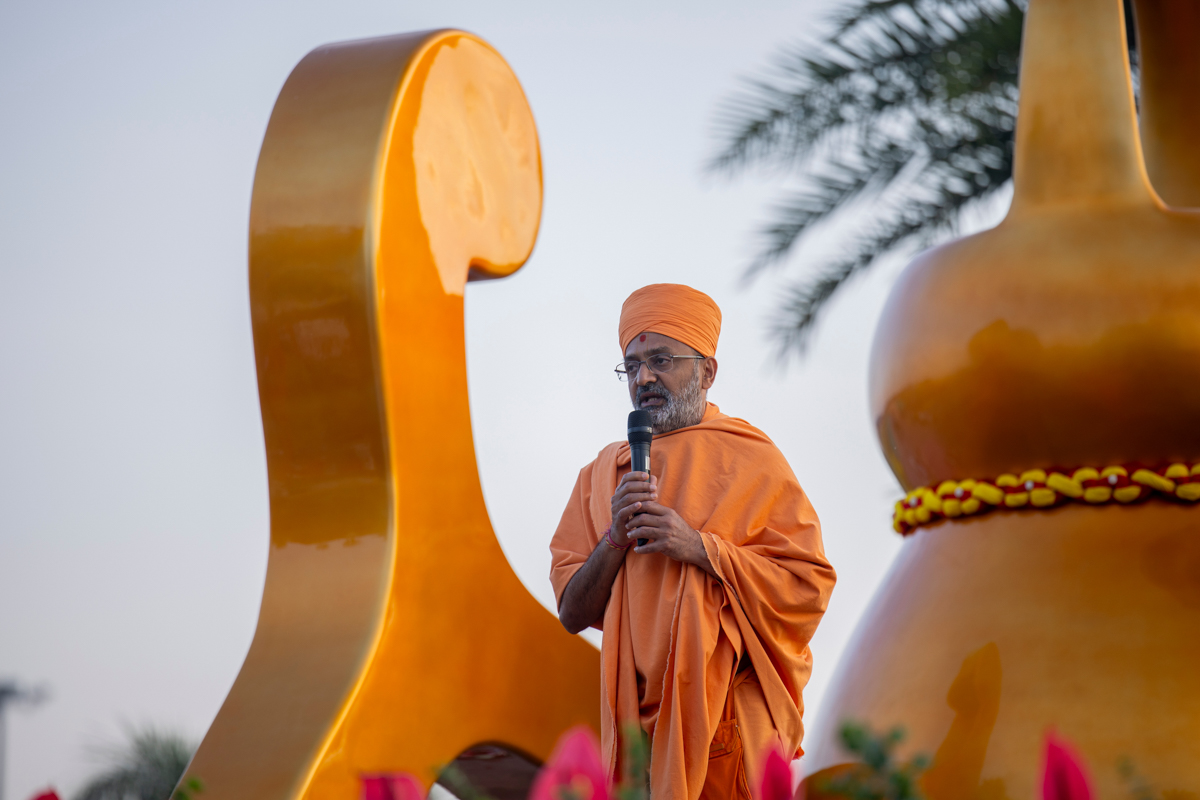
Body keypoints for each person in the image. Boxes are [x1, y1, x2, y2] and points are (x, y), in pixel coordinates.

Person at [549, 283, 836, 800]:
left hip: (727, 727)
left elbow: (807, 587)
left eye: (661, 359)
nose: (645, 378)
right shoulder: (602, 476)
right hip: (637, 739)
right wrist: (615, 536)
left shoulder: (752, 460)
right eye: (631, 365)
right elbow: (572, 611)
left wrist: (698, 546)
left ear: (707, 371)